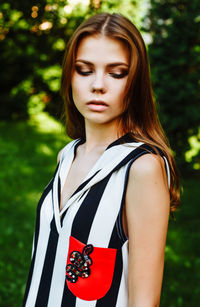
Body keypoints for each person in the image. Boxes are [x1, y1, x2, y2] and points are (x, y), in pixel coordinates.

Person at [22, 12, 180, 307]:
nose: (98, 85)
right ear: (69, 74)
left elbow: (144, 300)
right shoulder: (67, 154)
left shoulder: (142, 167)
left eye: (116, 72)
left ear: (135, 83)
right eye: (84, 70)